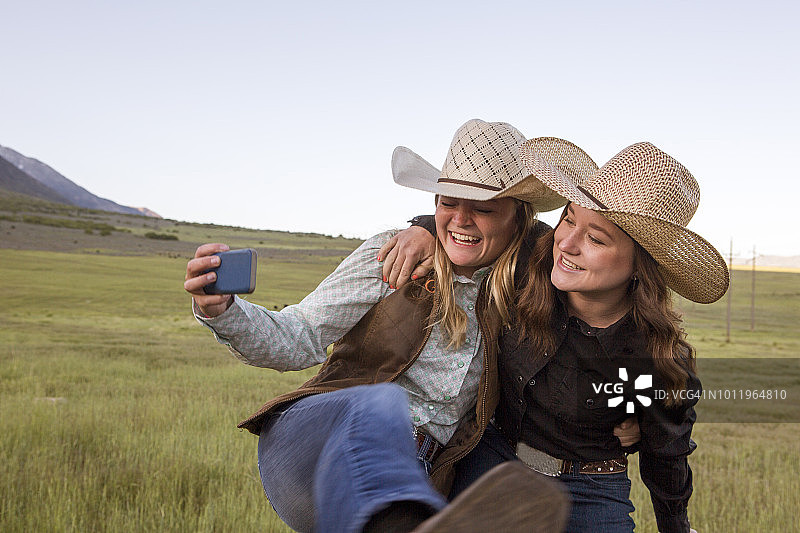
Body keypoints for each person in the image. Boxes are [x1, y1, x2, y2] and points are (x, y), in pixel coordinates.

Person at [183, 119, 597, 533]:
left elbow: (603, 318)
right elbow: (300, 337)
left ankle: (403, 520)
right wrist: (224, 311)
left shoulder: (527, 286)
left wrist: (633, 405)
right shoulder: (392, 254)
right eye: (447, 203)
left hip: (415, 476)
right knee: (381, 404)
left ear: (517, 219)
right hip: (318, 445)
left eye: (484, 208)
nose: (460, 219)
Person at [382, 140, 728, 532]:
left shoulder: (654, 357)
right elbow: (474, 225)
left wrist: (675, 526)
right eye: (568, 218)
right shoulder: (529, 263)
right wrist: (424, 228)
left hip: (589, 487)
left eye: (596, 239)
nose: (567, 243)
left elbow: (667, 455)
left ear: (639, 265)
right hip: (491, 461)